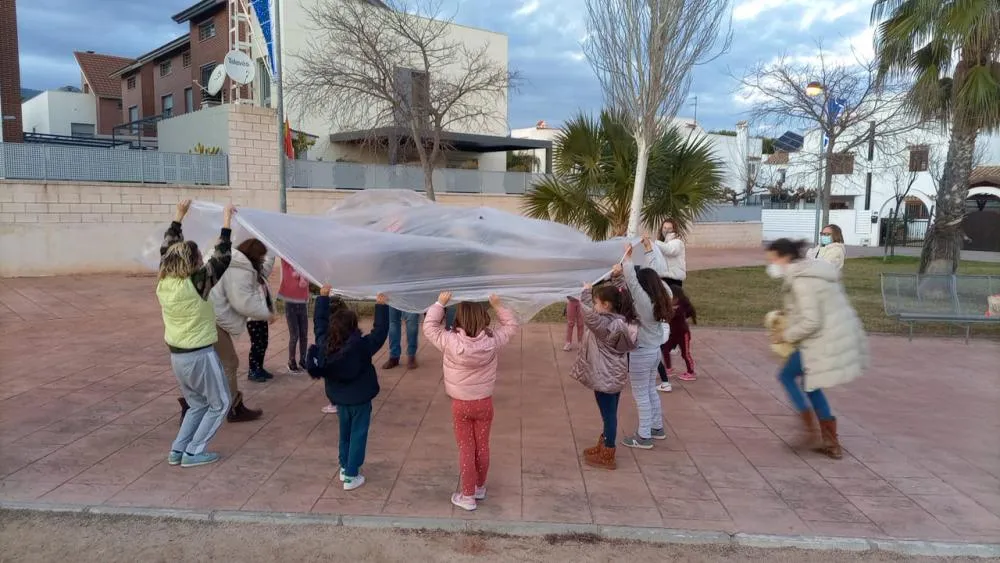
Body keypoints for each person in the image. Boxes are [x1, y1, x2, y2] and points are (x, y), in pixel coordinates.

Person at [766, 238, 868, 459]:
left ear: (785, 257)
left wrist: (786, 334)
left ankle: (811, 431)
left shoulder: (801, 281)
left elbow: (812, 321)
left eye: (773, 259)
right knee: (812, 384)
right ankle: (830, 442)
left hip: (821, 340)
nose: (771, 264)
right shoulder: (813, 272)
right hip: (833, 336)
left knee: (786, 376)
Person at [423, 292, 518, 512]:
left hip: (461, 404)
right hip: (484, 402)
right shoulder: (493, 341)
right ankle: (479, 486)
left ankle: (467, 496)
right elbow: (511, 325)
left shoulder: (449, 341)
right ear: (483, 317)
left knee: (466, 448)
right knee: (482, 445)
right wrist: (498, 305)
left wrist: (440, 303)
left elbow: (429, 327)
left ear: (458, 318)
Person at [157, 200, 234, 468]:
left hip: (178, 357)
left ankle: (178, 450)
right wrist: (227, 221)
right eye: (199, 258)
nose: (202, 260)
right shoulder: (196, 284)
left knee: (197, 404)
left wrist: (179, 214)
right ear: (192, 264)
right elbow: (222, 258)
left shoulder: (165, 281)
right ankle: (193, 452)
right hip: (199, 355)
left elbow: (167, 247)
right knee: (220, 403)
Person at [306, 286, 389, 491]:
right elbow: (379, 333)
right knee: (358, 434)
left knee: (345, 434)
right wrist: (381, 306)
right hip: (360, 400)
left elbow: (319, 323)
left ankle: (344, 467)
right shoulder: (361, 347)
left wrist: (323, 298)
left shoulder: (325, 344)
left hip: (340, 400)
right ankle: (352, 475)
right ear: (354, 327)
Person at [570, 281, 638, 470]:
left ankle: (608, 452)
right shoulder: (621, 320)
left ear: (606, 305)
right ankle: (604, 444)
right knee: (609, 413)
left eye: (596, 302)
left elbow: (588, 316)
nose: (594, 306)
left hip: (605, 377)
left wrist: (585, 291)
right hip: (613, 375)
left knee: (609, 415)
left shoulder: (604, 324)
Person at [614, 236, 673, 450]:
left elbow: (631, 279)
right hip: (654, 351)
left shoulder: (643, 302)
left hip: (641, 353)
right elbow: (653, 273)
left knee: (641, 395)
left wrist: (627, 257)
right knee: (650, 391)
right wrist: (648, 251)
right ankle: (657, 428)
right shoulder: (662, 295)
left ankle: (644, 435)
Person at [209, 238, 274, 423]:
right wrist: (266, 314)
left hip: (212, 318)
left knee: (212, 364)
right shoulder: (239, 269)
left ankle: (194, 405)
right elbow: (243, 301)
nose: (262, 261)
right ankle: (233, 408)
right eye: (261, 257)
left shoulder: (233, 261)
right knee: (229, 363)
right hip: (214, 321)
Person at [246, 250, 277, 383]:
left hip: (262, 316)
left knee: (263, 342)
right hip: (253, 318)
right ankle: (253, 370)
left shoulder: (261, 275)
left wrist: (272, 249)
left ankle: (260, 367)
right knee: (256, 344)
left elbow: (268, 264)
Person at [658, 284, 698, 387]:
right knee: (665, 349)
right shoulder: (673, 307)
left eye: (670, 297)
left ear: (676, 298)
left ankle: (691, 372)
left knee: (685, 353)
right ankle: (668, 368)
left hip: (683, 334)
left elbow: (667, 315)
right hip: (673, 334)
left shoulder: (679, 310)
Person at [278, 259, 310, 373]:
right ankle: (291, 361)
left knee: (304, 334)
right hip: (290, 302)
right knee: (294, 334)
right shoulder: (287, 263)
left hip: (302, 302)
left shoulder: (304, 265)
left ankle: (303, 360)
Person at [655, 219, 687, 286]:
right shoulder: (663, 243)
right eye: (664, 228)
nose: (666, 230)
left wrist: (654, 242)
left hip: (674, 280)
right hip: (663, 278)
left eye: (669, 228)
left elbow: (669, 250)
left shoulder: (677, 242)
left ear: (674, 229)